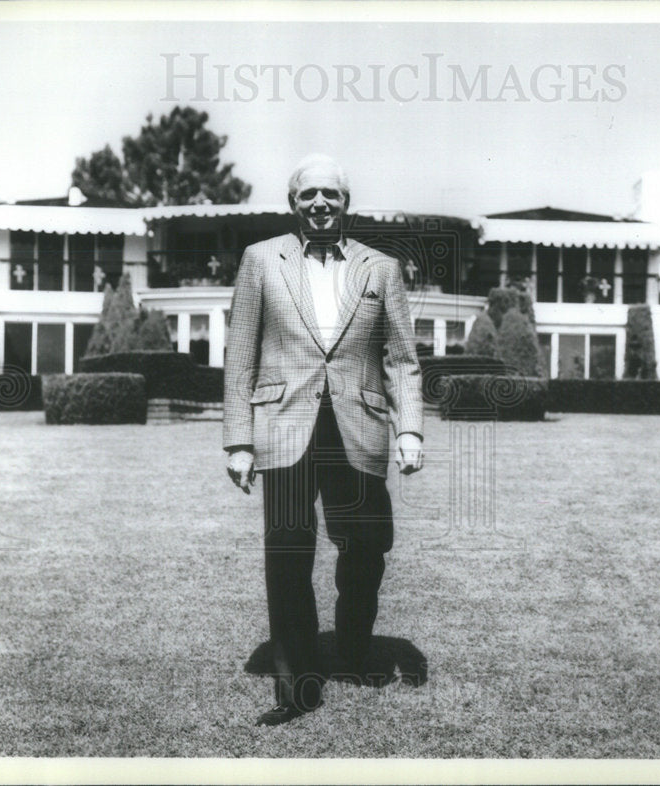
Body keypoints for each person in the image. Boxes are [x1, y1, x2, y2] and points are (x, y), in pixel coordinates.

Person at [223, 154, 425, 727]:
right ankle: (298, 688)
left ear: (345, 203)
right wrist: (239, 441)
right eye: (307, 194)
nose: (319, 204)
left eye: (329, 195)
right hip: (282, 424)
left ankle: (355, 649)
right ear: (293, 204)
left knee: (365, 547)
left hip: (357, 425)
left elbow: (402, 360)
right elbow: (240, 356)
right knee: (287, 551)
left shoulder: (381, 269)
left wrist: (408, 428)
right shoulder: (261, 260)